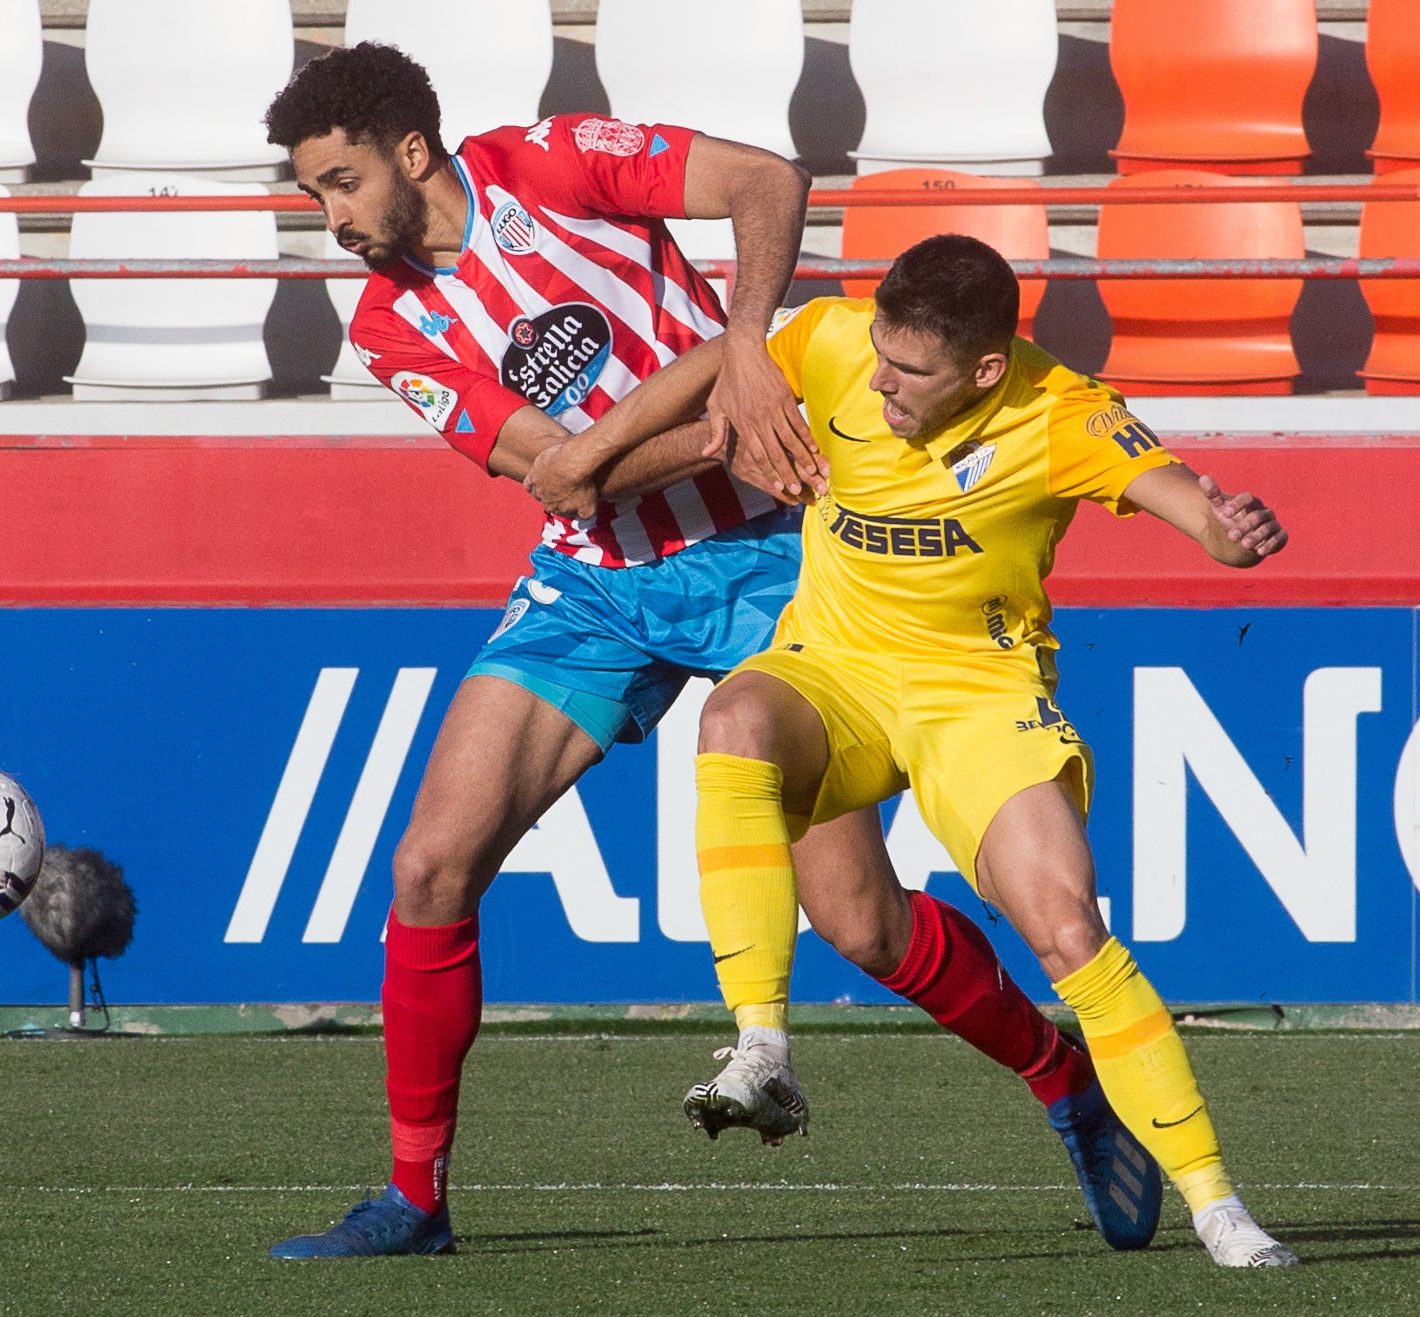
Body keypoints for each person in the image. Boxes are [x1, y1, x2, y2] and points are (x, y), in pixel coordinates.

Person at [261, 43, 1156, 1260]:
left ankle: (1063, 1076)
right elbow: (561, 482)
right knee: (429, 868)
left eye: (340, 184)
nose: (332, 219)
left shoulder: (558, 162)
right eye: (317, 195)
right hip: (602, 583)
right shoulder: (390, 326)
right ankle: (416, 1197)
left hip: (777, 559)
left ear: (410, 152)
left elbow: (769, 181)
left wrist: (745, 345)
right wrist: (715, 429)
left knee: (859, 924)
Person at [591, 233, 1291, 1267]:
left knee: (1062, 929)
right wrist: (593, 453)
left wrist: (1231, 530)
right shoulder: (829, 339)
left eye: (909, 372)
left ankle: (1217, 1206)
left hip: (976, 695)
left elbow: (1193, 509)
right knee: (733, 721)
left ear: (984, 370)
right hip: (832, 670)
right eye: (879, 354)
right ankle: (760, 1048)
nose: (878, 384)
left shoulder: (1062, 413)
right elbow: (715, 372)